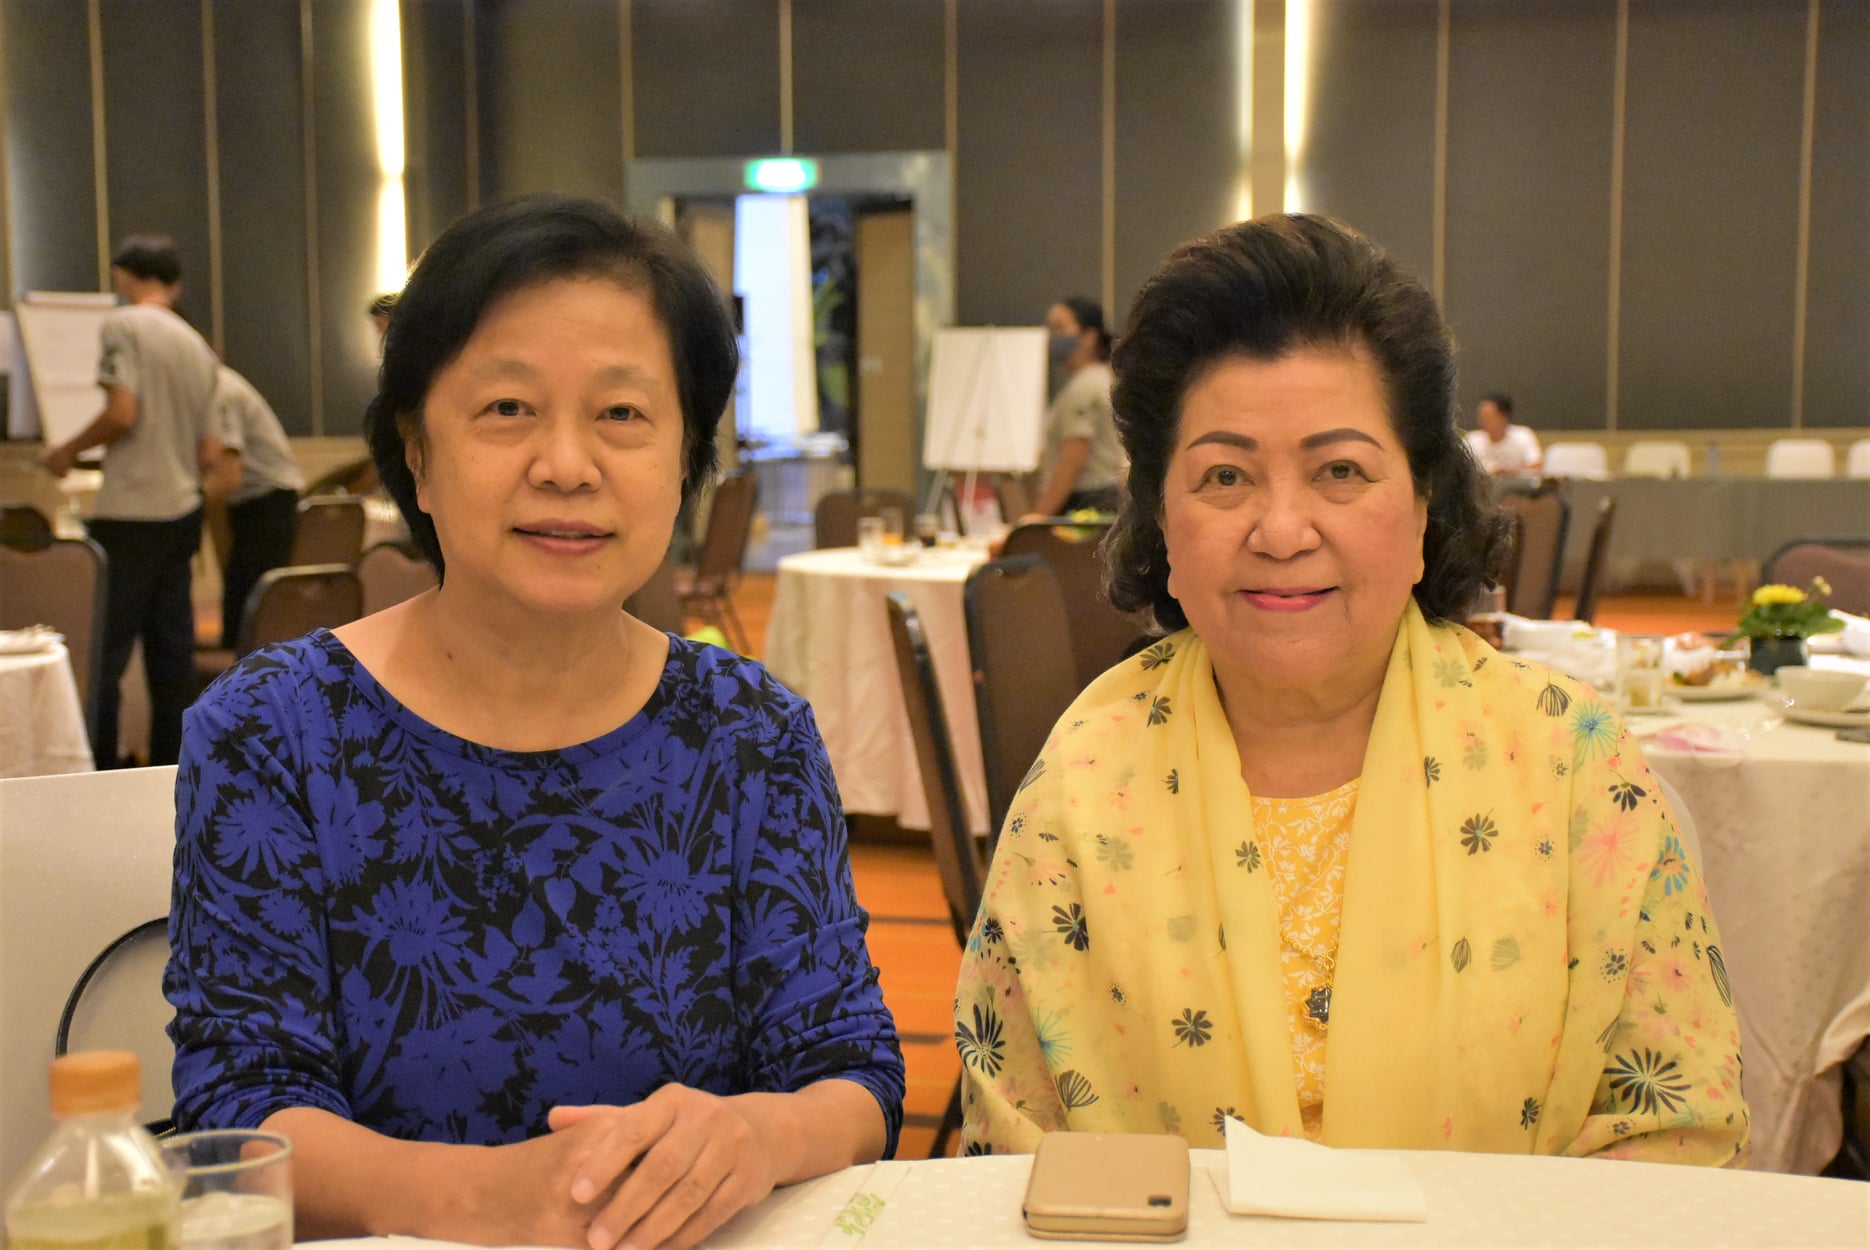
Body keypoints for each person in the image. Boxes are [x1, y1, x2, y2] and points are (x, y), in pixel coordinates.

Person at [166, 195, 905, 1250]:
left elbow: (852, 1069)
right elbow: (242, 1108)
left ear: (686, 459)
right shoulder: (273, 731)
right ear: (417, 451)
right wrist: (491, 1197)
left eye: (622, 414)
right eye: (507, 408)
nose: (567, 464)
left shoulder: (751, 733)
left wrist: (756, 1134)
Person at [954, 215, 1747, 1166]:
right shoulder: (1084, 784)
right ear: (1161, 519)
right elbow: (1012, 1150)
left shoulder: (1570, 764)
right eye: (1225, 476)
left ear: (1422, 507)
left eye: (1340, 471)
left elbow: (1678, 1128)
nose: (1282, 531)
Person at [40, 235, 219, 766]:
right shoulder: (197, 345)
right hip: (182, 510)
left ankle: (98, 768)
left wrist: (67, 450)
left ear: (123, 274)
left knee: (107, 654)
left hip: (130, 513)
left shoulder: (123, 325)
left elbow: (123, 412)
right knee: (172, 657)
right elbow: (209, 452)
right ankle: (174, 769)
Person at [205, 364, 305, 648]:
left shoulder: (220, 391)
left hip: (268, 503)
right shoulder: (212, 389)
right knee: (240, 611)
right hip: (252, 503)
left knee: (255, 615)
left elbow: (229, 477)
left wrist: (180, 513)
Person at [1023, 296, 1125, 518]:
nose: (1052, 336)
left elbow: (1072, 461)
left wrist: (1038, 519)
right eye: (1050, 328)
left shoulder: (1085, 387)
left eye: (1059, 328)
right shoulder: (1100, 379)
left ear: (1089, 336)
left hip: (1089, 504)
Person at [1464, 391, 1542, 475]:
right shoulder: (1472, 440)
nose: (1483, 420)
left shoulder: (1523, 436)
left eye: (1488, 416)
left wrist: (1508, 472)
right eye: (1481, 415)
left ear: (1504, 416)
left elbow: (1536, 466)